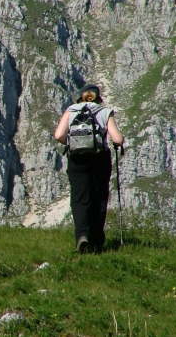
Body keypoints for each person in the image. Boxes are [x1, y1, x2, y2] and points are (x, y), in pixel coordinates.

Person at [54, 84, 124, 253]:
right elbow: (117, 139)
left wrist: (71, 144)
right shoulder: (104, 112)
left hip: (77, 159)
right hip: (99, 159)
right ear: (98, 98)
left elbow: (58, 135)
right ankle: (97, 242)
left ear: (81, 96)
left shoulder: (71, 110)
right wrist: (119, 140)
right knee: (98, 199)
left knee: (79, 199)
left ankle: (82, 236)